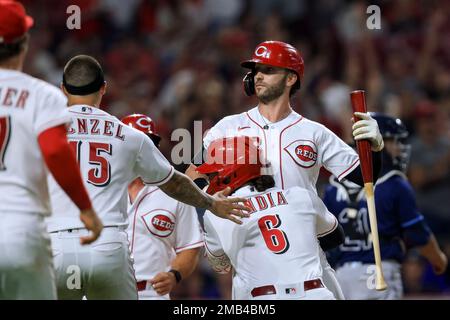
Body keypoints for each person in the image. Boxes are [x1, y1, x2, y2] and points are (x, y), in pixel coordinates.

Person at [186, 40, 385, 299]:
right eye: (256, 70)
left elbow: (363, 177)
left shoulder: (314, 132)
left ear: (291, 78)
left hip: (305, 253)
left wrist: (375, 147)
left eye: (268, 70)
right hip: (249, 249)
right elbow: (193, 174)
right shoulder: (227, 126)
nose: (258, 75)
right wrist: (212, 201)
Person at [46, 55, 250, 300]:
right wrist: (211, 203)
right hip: (108, 245)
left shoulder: (40, 130)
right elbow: (173, 182)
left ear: (63, 89)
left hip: (56, 244)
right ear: (103, 88)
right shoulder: (128, 135)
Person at [0, 1, 102, 300]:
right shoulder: (42, 95)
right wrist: (86, 209)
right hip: (23, 230)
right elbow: (56, 151)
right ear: (25, 42)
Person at [323, 113, 448, 299]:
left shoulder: (333, 185)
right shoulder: (394, 183)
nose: (399, 149)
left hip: (341, 277)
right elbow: (418, 234)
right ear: (377, 139)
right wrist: (438, 259)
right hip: (379, 273)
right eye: (393, 142)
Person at [201, 136, 338, 300]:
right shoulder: (301, 195)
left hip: (264, 298)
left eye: (212, 174)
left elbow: (221, 267)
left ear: (230, 173)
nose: (209, 179)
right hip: (316, 293)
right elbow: (336, 237)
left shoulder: (216, 214)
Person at [122, 114, 203, 300]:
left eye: (148, 143)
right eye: (135, 142)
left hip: (151, 293)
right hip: (102, 291)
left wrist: (174, 275)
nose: (140, 149)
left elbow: (190, 247)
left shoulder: (175, 191)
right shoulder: (101, 186)